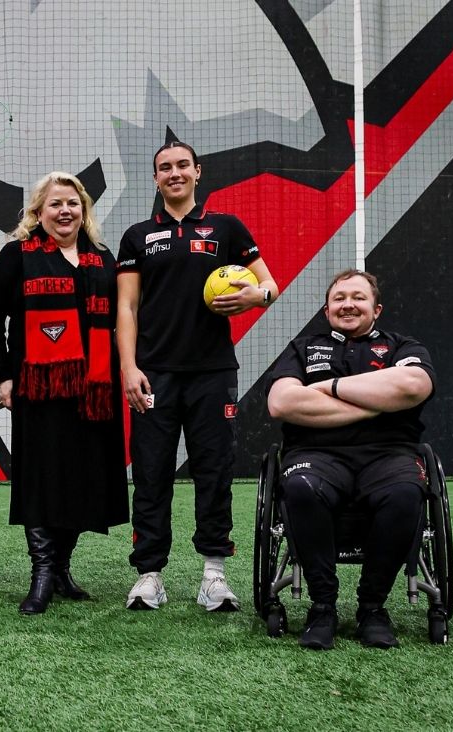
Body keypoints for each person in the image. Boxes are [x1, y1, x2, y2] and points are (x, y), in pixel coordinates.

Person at [116, 140, 278, 612]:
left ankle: (214, 575)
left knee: (214, 471)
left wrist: (255, 297)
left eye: (182, 165)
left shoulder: (227, 228)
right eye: (165, 167)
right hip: (154, 374)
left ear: (197, 172)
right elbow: (126, 308)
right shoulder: (138, 235)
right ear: (155, 178)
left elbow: (269, 284)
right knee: (151, 474)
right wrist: (129, 367)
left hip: (212, 373)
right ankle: (149, 575)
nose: (174, 173)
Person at [0, 171, 128, 615]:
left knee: (84, 479)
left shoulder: (102, 258)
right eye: (55, 204)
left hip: (94, 392)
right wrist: (2, 377)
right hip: (39, 393)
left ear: (84, 210)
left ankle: (61, 567)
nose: (65, 211)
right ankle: (41, 573)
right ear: (37, 212)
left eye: (73, 204)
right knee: (42, 480)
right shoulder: (17, 256)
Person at [266, 270, 435, 649]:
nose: (348, 305)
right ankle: (322, 606)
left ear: (376, 309)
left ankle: (372, 607)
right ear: (327, 310)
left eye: (358, 297)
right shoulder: (303, 348)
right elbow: (282, 403)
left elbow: (413, 385)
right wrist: (378, 403)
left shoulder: (402, 346)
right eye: (339, 298)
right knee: (300, 486)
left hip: (389, 454)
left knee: (406, 492)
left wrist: (328, 388)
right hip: (315, 454)